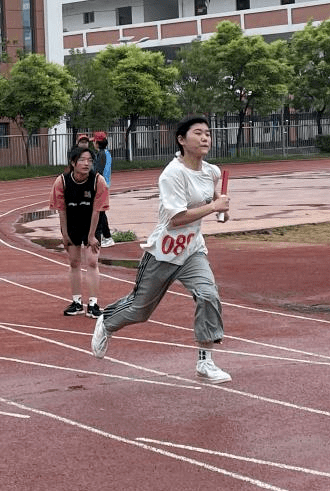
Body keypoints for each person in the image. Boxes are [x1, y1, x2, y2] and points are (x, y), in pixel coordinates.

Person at [91, 116, 232, 384]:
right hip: (163, 252)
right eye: (198, 133)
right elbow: (177, 218)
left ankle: (206, 361)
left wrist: (221, 206)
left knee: (208, 294)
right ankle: (107, 321)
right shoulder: (172, 174)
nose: (205, 138)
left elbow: (213, 198)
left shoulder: (211, 171)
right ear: (181, 140)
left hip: (192, 251)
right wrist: (215, 207)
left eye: (208, 134)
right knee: (140, 310)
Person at [50, 145, 109, 318]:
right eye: (82, 160)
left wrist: (91, 236)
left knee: (92, 261)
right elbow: (61, 209)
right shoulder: (62, 181)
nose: (86, 163)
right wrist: (65, 234)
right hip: (72, 224)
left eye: (90, 160)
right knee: (74, 262)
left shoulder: (98, 181)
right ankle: (77, 302)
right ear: (73, 162)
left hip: (91, 223)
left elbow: (97, 210)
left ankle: (93, 304)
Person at [93, 131, 115, 247]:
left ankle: (105, 237)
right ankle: (105, 236)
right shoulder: (105, 153)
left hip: (101, 186)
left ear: (97, 142)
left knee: (99, 212)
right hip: (104, 185)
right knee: (100, 212)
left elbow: (99, 170)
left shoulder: (102, 154)